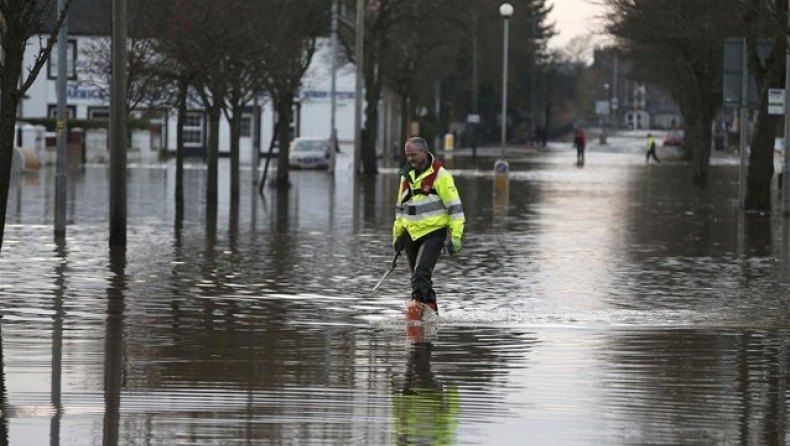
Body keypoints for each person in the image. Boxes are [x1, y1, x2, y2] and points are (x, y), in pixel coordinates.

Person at [392, 137, 465, 315]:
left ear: (424, 152)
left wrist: (455, 238)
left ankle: (415, 318)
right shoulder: (406, 177)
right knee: (420, 279)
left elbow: (455, 209)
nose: (410, 159)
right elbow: (400, 210)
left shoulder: (442, 176)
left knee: (420, 275)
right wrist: (398, 236)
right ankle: (431, 317)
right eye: (408, 155)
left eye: (414, 155)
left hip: (434, 232)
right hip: (411, 235)